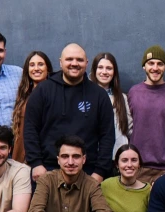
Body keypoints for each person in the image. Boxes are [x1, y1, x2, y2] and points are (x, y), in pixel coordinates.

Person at [23, 43, 115, 183]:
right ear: (60, 62)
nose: (74, 63)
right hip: (48, 171)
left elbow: (107, 136)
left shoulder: (99, 95)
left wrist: (100, 172)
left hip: (87, 173)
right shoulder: (42, 91)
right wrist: (36, 163)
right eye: (69, 59)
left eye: (79, 60)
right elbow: (30, 129)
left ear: (86, 63)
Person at [128, 45, 165, 184]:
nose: (155, 68)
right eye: (151, 63)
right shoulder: (133, 92)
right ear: (144, 66)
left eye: (160, 64)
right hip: (138, 167)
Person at [11, 51, 53, 163]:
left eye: (41, 64)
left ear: (48, 68)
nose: (36, 68)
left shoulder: (54, 94)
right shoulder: (24, 94)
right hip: (20, 154)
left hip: (42, 157)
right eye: (32, 65)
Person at [91, 52, 133, 157]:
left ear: (114, 72)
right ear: (94, 70)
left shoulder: (122, 98)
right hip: (94, 155)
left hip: (118, 156)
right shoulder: (86, 96)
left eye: (109, 68)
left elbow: (129, 129)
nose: (104, 72)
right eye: (100, 67)